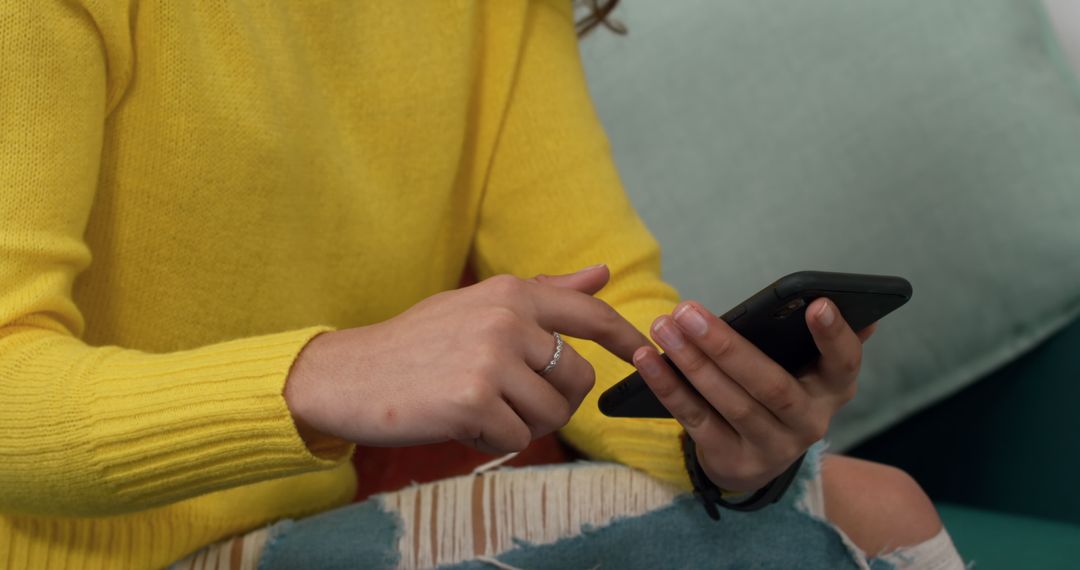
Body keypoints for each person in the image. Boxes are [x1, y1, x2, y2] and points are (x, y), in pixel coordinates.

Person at [0, 1, 963, 567]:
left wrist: (722, 434)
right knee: (871, 522)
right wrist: (316, 377)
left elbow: (600, 307)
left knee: (868, 506)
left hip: (287, 537)